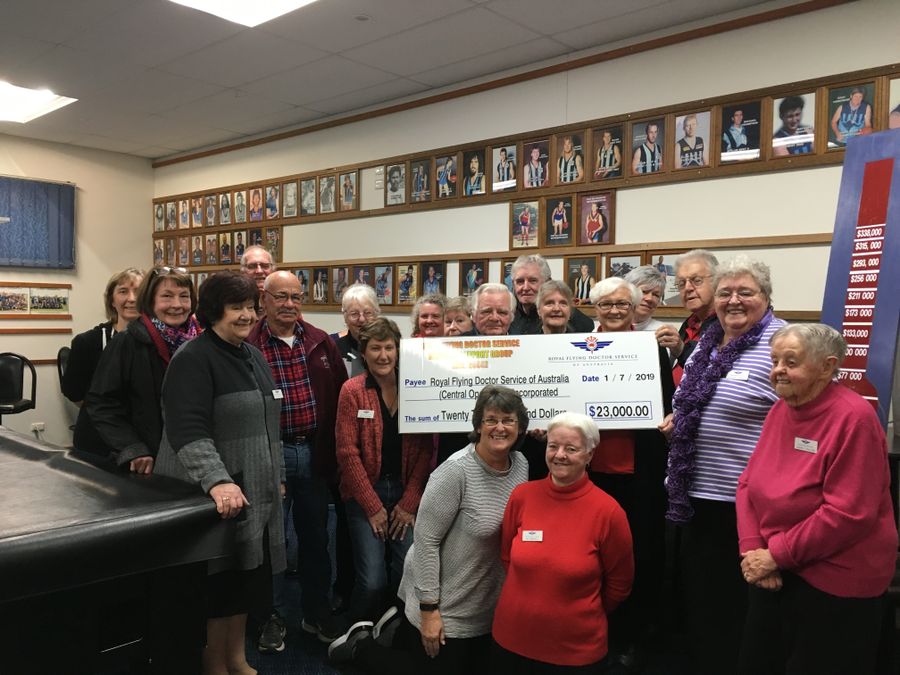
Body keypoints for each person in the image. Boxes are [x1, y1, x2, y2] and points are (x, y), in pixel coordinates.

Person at [736, 324, 898, 675]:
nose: (778, 369)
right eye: (775, 360)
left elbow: (848, 513)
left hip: (834, 576)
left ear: (827, 367)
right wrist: (753, 550)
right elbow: (748, 483)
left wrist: (775, 555)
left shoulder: (853, 418)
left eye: (790, 362)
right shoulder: (782, 408)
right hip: (773, 564)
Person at [152, 271, 284, 675]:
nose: (247, 314)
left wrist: (276, 474)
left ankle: (236, 659)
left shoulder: (252, 355)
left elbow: (268, 424)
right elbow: (186, 430)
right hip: (215, 497)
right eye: (236, 307)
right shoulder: (193, 358)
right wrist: (217, 480)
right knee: (218, 587)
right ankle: (215, 665)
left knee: (245, 583)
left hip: (254, 493)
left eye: (249, 306)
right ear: (213, 311)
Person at [660, 256, 786, 674]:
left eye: (745, 292)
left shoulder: (783, 344)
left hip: (751, 508)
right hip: (697, 500)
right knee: (705, 607)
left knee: (743, 614)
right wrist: (678, 423)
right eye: (727, 292)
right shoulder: (705, 345)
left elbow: (810, 418)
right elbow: (696, 406)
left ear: (765, 297)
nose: (734, 301)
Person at [247, 271, 348, 649]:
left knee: (315, 538)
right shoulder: (250, 344)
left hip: (314, 453)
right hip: (270, 455)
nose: (289, 304)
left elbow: (340, 398)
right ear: (265, 301)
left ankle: (315, 613)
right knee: (270, 542)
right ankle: (269, 617)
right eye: (280, 297)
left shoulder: (321, 342)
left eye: (295, 297)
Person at [492, 412, 634, 672]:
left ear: (590, 455)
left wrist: (577, 612)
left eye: (571, 448)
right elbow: (506, 558)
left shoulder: (608, 512)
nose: (560, 455)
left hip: (576, 651)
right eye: (553, 446)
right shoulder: (522, 497)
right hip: (511, 642)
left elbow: (619, 584)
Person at [588, 277, 675, 665]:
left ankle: (632, 634)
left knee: (639, 551)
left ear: (635, 307)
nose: (614, 311)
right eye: (606, 304)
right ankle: (596, 626)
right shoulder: (577, 348)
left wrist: (671, 419)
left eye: (622, 304)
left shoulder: (651, 350)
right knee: (593, 552)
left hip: (640, 470)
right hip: (591, 468)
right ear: (595, 309)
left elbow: (668, 403)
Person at [336, 318, 433, 623]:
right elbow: (346, 453)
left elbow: (425, 450)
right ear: (363, 353)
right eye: (375, 348)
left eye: (389, 347)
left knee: (408, 570)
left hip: (405, 492)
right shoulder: (353, 391)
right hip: (366, 494)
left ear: (398, 350)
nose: (383, 355)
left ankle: (393, 635)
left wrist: (409, 503)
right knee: (372, 580)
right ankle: (356, 637)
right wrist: (372, 506)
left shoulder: (414, 385)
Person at [86, 266, 200, 474]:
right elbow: (102, 403)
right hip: (149, 463)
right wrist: (133, 449)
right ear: (149, 300)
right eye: (167, 296)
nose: (177, 304)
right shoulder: (127, 342)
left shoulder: (201, 342)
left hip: (195, 459)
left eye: (184, 296)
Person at [64, 267, 144, 460]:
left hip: (145, 441)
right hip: (97, 440)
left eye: (139, 291)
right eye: (123, 291)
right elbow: (74, 391)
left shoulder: (162, 341)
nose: (132, 298)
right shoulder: (87, 342)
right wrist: (107, 413)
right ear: (111, 299)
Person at [508, 254, 594, 335]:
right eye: (520, 282)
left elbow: (587, 326)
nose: (525, 288)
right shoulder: (507, 312)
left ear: (548, 282)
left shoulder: (564, 314)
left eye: (533, 281)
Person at [671, 249, 719, 384]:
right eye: (681, 283)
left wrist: (681, 350)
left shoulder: (728, 324)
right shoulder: (690, 323)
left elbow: (713, 372)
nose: (687, 288)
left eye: (696, 280)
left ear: (717, 281)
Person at [334, 284, 381, 378]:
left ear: (376, 314)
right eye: (354, 314)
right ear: (345, 317)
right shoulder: (334, 349)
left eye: (368, 313)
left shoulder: (388, 347)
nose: (362, 319)